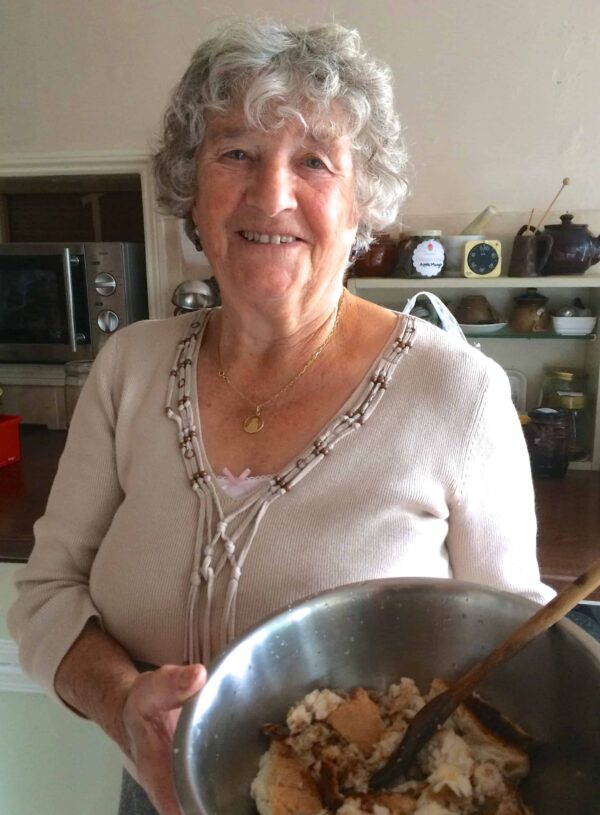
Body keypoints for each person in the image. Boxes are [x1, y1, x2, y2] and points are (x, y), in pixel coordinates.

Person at [7, 19, 555, 815]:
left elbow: (516, 657)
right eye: (234, 153)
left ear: (362, 200)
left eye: (315, 161)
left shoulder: (459, 395)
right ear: (189, 187)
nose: (271, 195)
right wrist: (122, 699)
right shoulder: (129, 367)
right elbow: (46, 590)